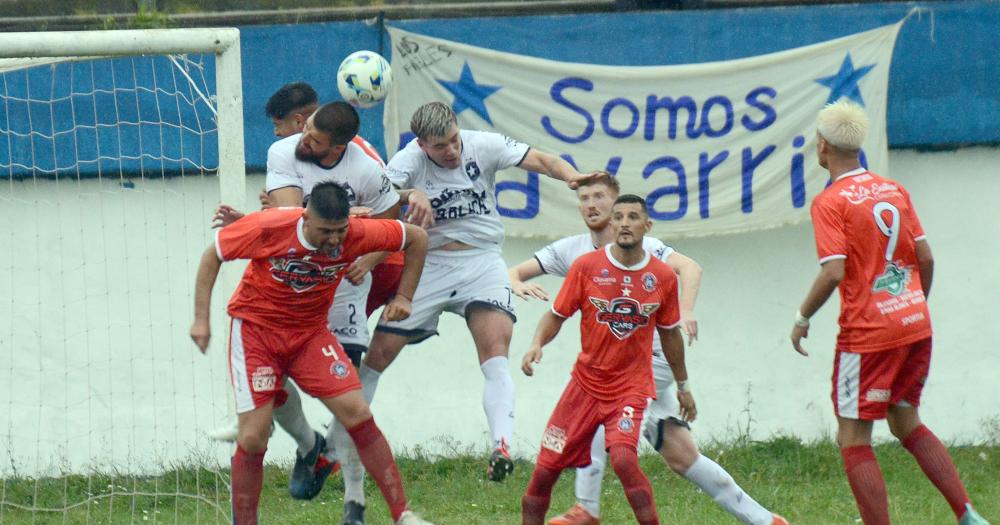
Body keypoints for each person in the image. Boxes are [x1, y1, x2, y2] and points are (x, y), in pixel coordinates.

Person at [509, 174, 786, 525]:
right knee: (683, 456)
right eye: (584, 198)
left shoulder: (648, 249)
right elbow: (515, 271)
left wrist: (684, 310)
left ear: (619, 204)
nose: (591, 204)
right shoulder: (574, 252)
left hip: (649, 361)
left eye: (600, 197)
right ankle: (765, 520)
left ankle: (587, 508)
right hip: (621, 367)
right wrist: (516, 284)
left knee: (605, 420)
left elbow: (690, 268)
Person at [362, 101, 598, 482]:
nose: (452, 151)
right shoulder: (407, 160)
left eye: (454, 140)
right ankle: (337, 448)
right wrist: (409, 195)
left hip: (482, 263)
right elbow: (378, 196)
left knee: (496, 354)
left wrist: (572, 176)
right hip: (430, 264)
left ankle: (502, 446)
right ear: (422, 144)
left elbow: (539, 159)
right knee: (378, 354)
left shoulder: (481, 143)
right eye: (441, 146)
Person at [790, 100, 989, 525]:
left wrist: (803, 317)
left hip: (868, 335)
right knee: (904, 418)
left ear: (822, 147)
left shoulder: (830, 202)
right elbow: (926, 259)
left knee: (853, 437)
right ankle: (967, 513)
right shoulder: (893, 189)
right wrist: (913, 303)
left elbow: (833, 272)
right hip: (915, 323)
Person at [217, 100, 414, 522]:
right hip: (288, 295)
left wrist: (370, 257)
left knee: (352, 406)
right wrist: (254, 222)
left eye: (315, 138)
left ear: (338, 146)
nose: (303, 139)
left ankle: (356, 502)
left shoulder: (365, 168)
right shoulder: (283, 152)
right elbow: (292, 218)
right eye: (304, 129)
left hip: (340, 295)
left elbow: (394, 217)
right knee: (276, 389)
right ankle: (310, 446)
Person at [190, 182, 432, 525]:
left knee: (357, 412)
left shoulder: (358, 233)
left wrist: (404, 296)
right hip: (257, 332)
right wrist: (201, 319)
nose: (335, 240)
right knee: (253, 437)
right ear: (305, 218)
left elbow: (417, 238)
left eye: (340, 231)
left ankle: (403, 515)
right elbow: (212, 254)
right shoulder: (268, 227)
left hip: (309, 334)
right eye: (325, 232)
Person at [520, 194, 690, 525]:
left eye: (633, 217)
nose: (625, 223)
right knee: (544, 470)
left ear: (647, 226)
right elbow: (556, 314)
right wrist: (536, 343)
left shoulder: (663, 277)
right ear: (611, 225)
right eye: (619, 217)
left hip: (629, 387)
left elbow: (671, 335)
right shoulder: (587, 267)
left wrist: (683, 385)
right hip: (584, 385)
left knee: (625, 460)